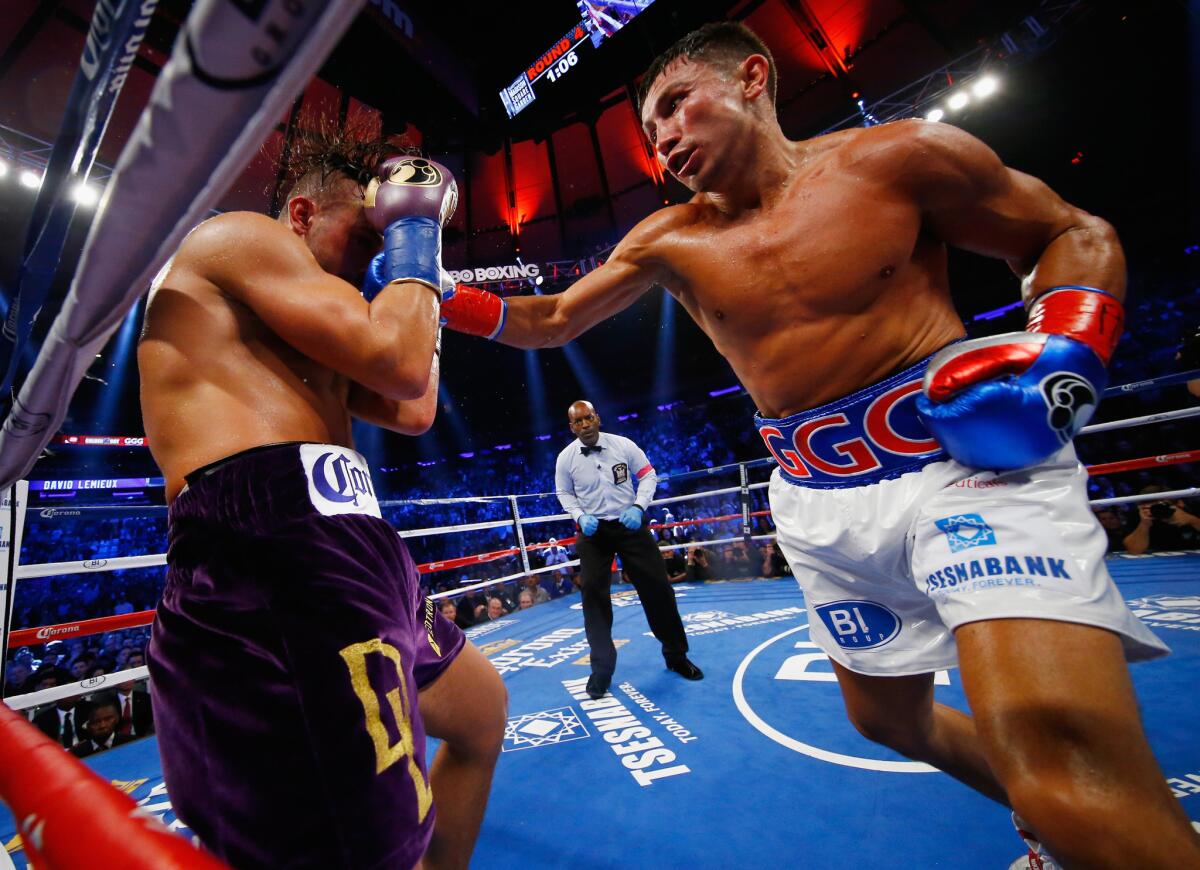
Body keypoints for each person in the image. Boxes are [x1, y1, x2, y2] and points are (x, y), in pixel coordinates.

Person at [437, 22, 1199, 866]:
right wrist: (431, 285)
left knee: (1065, 753)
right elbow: (547, 320)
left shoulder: (897, 158)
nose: (664, 140)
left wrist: (1066, 358)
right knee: (884, 717)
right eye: (651, 134)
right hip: (818, 495)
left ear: (753, 77)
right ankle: (1065, 834)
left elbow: (1071, 233)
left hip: (964, 468)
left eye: (676, 107)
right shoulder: (668, 239)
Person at [138, 133, 506, 870]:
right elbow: (401, 366)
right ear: (301, 214)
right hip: (271, 544)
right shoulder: (239, 237)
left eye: (389, 233)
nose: (377, 253)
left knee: (480, 714)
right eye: (365, 231)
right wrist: (414, 231)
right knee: (361, 845)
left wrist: (415, 260)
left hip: (353, 541)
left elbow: (414, 408)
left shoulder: (330, 320)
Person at [553, 400, 702, 700]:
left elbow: (648, 474)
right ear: (572, 427)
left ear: (597, 418)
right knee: (593, 595)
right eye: (578, 422)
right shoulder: (565, 458)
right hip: (594, 532)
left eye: (588, 418)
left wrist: (638, 506)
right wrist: (580, 516)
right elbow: (564, 492)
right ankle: (601, 671)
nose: (584, 425)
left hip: (630, 524)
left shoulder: (623, 445)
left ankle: (676, 657)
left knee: (659, 588)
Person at [1122, 486, 1200, 555]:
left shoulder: (1192, 510)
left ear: (1179, 503)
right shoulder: (1138, 515)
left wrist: (1193, 520)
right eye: (1153, 507)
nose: (1159, 509)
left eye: (1163, 505)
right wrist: (1145, 523)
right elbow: (1134, 551)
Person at [70, 694, 135, 758]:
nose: (102, 726)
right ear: (86, 725)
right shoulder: (76, 754)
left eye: (108, 719)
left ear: (117, 718)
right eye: (96, 722)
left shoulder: (133, 743)